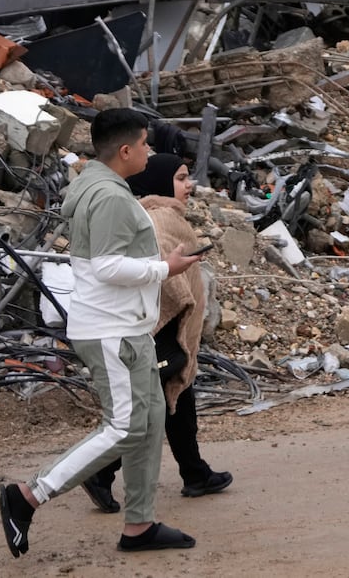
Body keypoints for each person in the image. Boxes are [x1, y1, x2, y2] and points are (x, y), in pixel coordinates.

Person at [0, 109, 206, 557]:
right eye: (146, 144)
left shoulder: (100, 186)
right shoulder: (110, 197)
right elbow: (107, 267)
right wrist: (164, 267)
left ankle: (140, 524)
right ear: (126, 150)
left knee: (149, 425)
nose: (151, 151)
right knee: (124, 427)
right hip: (112, 331)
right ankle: (29, 495)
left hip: (126, 327)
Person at [81, 154, 232, 509]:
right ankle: (100, 472)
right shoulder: (161, 218)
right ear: (163, 183)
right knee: (153, 412)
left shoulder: (147, 214)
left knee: (180, 400)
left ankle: (195, 473)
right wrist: (181, 304)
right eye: (181, 178)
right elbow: (163, 274)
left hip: (161, 329)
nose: (189, 185)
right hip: (163, 329)